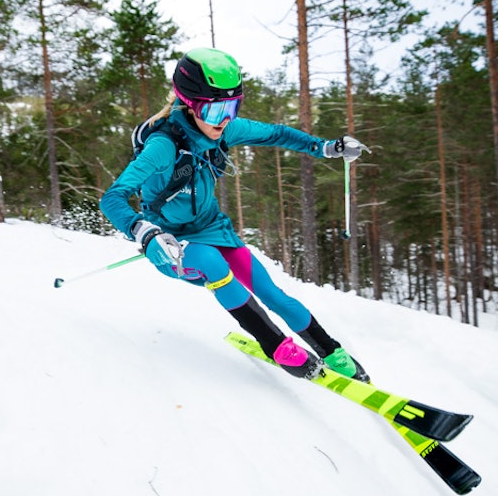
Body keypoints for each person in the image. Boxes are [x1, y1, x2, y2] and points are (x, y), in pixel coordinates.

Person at [99, 46, 370, 381]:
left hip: (213, 228)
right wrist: (144, 232)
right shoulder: (163, 146)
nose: (224, 119)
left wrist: (325, 147)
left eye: (232, 107)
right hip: (171, 244)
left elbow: (277, 134)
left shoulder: (226, 129)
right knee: (210, 263)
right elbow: (112, 198)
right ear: (190, 104)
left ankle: (331, 349)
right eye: (215, 111)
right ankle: (276, 345)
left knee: (272, 293)